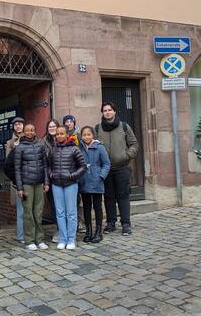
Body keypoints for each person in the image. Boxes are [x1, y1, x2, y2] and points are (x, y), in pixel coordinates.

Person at [95, 102, 139, 236]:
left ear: (114, 111)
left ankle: (126, 224)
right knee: (108, 197)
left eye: (109, 110)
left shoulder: (124, 126)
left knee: (123, 196)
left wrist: (126, 156)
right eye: (105, 110)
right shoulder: (97, 129)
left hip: (122, 168)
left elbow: (134, 145)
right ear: (102, 113)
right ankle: (110, 223)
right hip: (106, 169)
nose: (107, 112)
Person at [49, 126, 86, 250]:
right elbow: (48, 165)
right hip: (56, 184)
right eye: (57, 134)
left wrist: (72, 176)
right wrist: (51, 174)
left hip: (71, 184)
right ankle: (63, 238)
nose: (59, 136)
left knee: (71, 213)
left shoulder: (74, 149)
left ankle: (71, 238)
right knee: (60, 213)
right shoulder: (52, 149)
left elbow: (83, 166)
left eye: (61, 134)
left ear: (67, 135)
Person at [14, 124, 50, 251]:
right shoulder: (19, 148)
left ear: (35, 132)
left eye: (32, 130)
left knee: (38, 212)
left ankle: (39, 239)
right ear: (23, 132)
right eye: (27, 130)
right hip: (26, 184)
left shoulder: (40, 146)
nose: (30, 132)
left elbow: (45, 165)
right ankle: (29, 240)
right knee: (28, 213)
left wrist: (46, 182)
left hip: (39, 183)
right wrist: (19, 187)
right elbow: (17, 169)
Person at [79, 126, 111, 244]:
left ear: (93, 135)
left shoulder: (99, 148)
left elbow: (106, 164)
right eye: (84, 135)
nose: (86, 137)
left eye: (89, 134)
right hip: (84, 182)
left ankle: (98, 232)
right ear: (81, 136)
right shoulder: (80, 148)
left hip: (96, 181)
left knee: (97, 207)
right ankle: (89, 231)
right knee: (86, 207)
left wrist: (101, 176)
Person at [5, 117, 25, 243]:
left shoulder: (30, 137)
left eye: (20, 124)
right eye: (16, 125)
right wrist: (14, 179)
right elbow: (8, 163)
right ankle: (21, 235)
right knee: (21, 209)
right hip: (18, 178)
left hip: (30, 177)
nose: (18, 126)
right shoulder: (10, 142)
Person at [40, 119, 59, 244]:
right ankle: (58, 229)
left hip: (63, 177)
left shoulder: (63, 139)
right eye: (50, 127)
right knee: (54, 206)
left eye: (54, 126)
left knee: (64, 206)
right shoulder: (42, 142)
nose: (52, 128)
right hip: (50, 178)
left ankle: (66, 230)